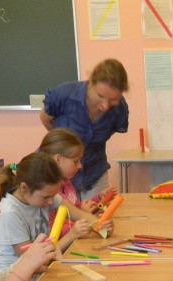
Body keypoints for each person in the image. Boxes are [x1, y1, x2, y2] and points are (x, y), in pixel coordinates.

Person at [40, 58, 129, 199]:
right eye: (100, 96)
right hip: (59, 171)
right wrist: (63, 144)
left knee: (98, 210)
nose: (105, 106)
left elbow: (110, 131)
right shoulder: (65, 94)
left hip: (94, 171)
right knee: (62, 212)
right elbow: (45, 118)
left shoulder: (120, 108)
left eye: (113, 100)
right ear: (91, 83)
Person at [0, 152, 91, 273]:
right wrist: (71, 236)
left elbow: (79, 214)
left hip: (39, 271)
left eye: (53, 195)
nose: (51, 202)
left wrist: (100, 224)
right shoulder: (10, 213)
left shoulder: (44, 195)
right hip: (19, 280)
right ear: (24, 188)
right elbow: (34, 261)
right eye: (46, 197)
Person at [38, 127, 116, 238]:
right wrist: (82, 223)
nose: (80, 166)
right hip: (64, 245)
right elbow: (51, 230)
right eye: (75, 161)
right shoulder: (47, 192)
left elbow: (77, 209)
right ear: (58, 159)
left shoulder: (66, 182)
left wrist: (99, 199)